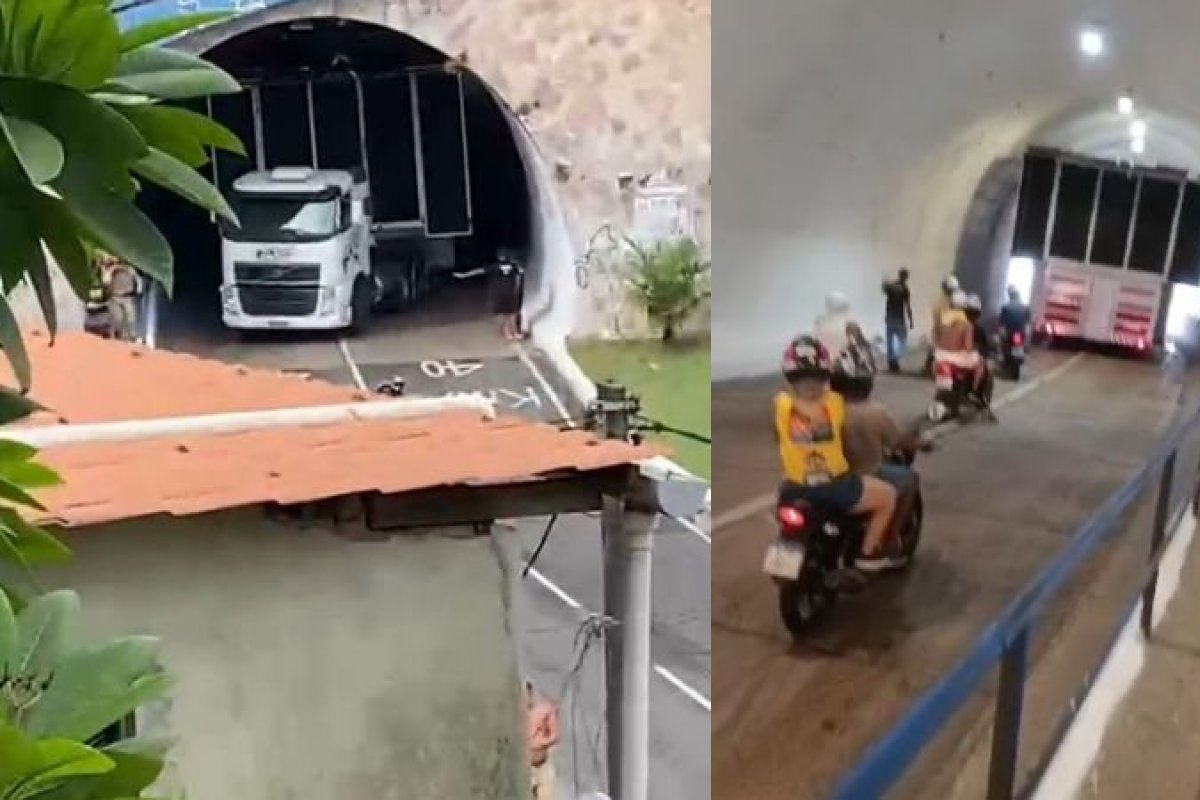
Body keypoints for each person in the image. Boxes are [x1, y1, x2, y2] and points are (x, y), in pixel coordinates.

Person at [774, 334, 899, 572]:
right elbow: (848, 437)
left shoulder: (780, 405)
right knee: (888, 496)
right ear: (826, 375)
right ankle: (867, 554)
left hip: (793, 488)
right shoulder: (836, 405)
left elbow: (777, 436)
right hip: (834, 487)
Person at [840, 359, 927, 562]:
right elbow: (898, 442)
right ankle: (890, 539)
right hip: (867, 474)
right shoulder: (876, 412)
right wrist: (922, 443)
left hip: (834, 476)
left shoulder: (831, 410)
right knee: (911, 479)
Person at [526, 682, 560, 800]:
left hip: (541, 765)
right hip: (525, 768)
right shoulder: (514, 715)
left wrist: (539, 743)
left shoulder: (544, 710)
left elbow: (555, 736)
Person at [99, 253, 142, 342]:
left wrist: (138, 290)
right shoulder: (111, 270)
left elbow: (138, 280)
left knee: (131, 318)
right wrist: (112, 269)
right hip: (115, 297)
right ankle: (118, 337)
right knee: (118, 319)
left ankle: (132, 337)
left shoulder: (130, 270)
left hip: (128, 296)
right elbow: (105, 281)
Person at [963, 293, 994, 406]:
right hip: (965, 358)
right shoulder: (976, 328)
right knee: (983, 367)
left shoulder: (959, 325)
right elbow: (985, 347)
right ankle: (974, 391)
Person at [925, 275, 959, 374]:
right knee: (934, 347)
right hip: (941, 329)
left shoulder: (954, 300)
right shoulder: (941, 300)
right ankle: (929, 367)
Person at [882, 269, 914, 373]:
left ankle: (892, 362)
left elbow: (884, 289)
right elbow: (908, 306)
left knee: (890, 342)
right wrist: (911, 320)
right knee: (902, 341)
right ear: (905, 277)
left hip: (890, 318)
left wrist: (885, 280)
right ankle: (894, 360)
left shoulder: (892, 287)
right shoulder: (904, 289)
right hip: (899, 319)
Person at [492, 250, 526, 341]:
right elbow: (520, 275)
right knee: (511, 314)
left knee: (507, 314)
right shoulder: (514, 265)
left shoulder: (495, 266)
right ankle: (512, 332)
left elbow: (480, 270)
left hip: (504, 292)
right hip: (509, 292)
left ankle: (509, 333)